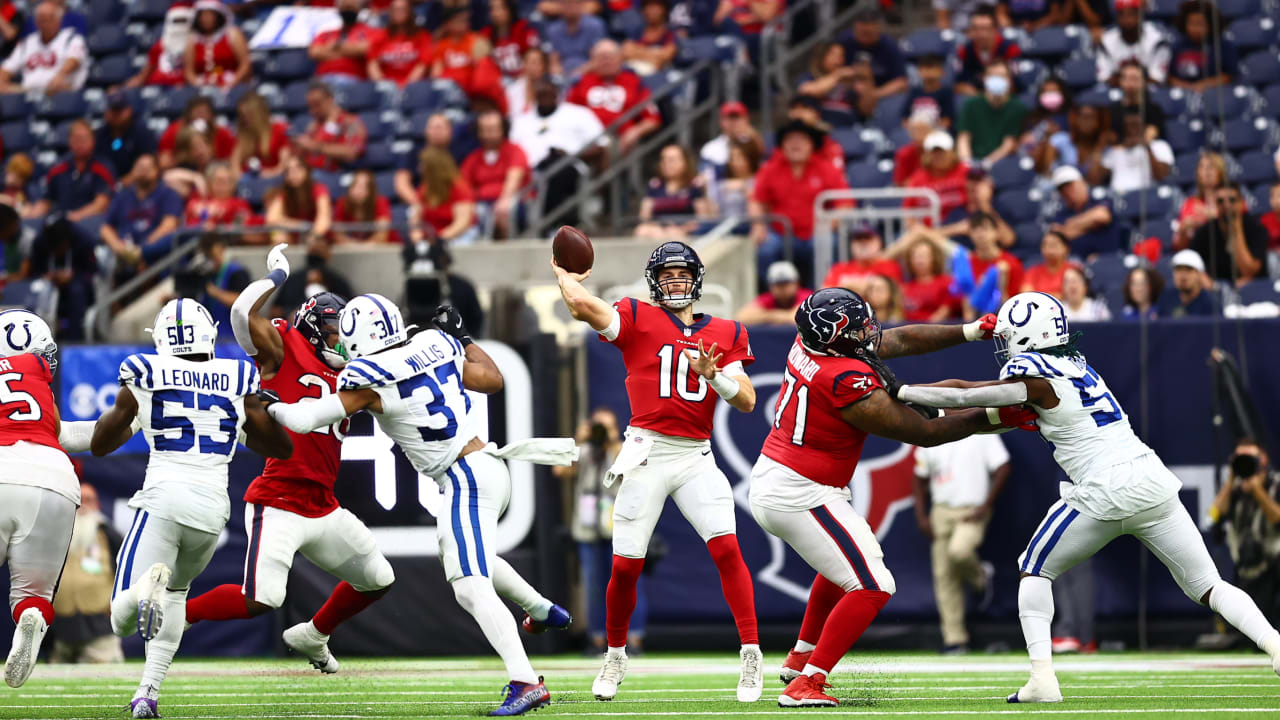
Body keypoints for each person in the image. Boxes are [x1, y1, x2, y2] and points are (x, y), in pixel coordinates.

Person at [893, 292, 1280, 703]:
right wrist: (938, 411)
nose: (1004, 344)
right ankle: (1275, 644)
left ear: (1027, 334)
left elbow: (967, 395)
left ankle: (1042, 678)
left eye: (1009, 335)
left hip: (1104, 488)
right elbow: (993, 416)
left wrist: (902, 393)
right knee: (1208, 585)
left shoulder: (1035, 376)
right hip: (1149, 478)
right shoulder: (1078, 367)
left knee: (1034, 571)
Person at [263, 296, 574, 716]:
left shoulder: (367, 376)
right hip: (489, 466)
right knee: (464, 554)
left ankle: (525, 681)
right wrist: (462, 337)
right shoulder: (434, 342)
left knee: (469, 584)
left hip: (463, 478)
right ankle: (540, 609)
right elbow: (492, 379)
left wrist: (269, 406)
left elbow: (304, 420)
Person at [752, 290, 1022, 706]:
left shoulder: (812, 342)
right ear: (837, 336)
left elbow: (899, 341)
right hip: (799, 490)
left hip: (791, 479)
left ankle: (802, 655)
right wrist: (993, 415)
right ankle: (808, 683)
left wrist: (969, 331)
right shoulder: (841, 379)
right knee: (874, 585)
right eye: (859, 326)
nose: (870, 330)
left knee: (843, 569)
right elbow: (924, 431)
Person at [553, 242, 764, 703]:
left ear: (697, 279)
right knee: (625, 566)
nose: (673, 281)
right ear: (653, 281)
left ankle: (751, 653)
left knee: (728, 549)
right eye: (665, 274)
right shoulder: (636, 315)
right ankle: (614, 653)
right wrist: (566, 275)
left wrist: (715, 376)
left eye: (681, 273)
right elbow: (582, 307)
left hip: (695, 456)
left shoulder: (726, 331)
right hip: (646, 451)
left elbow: (746, 400)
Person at [185, 250, 395, 673]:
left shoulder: (355, 372)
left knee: (377, 578)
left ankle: (314, 634)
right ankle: (181, 613)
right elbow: (243, 313)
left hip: (323, 504)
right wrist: (277, 275)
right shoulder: (285, 346)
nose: (343, 341)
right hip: (279, 498)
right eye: (336, 331)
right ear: (316, 328)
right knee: (260, 599)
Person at [89, 299, 291, 719]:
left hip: (165, 496)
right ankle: (147, 693)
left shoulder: (145, 371)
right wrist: (253, 417)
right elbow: (280, 448)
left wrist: (135, 414)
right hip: (212, 511)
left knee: (119, 619)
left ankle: (146, 588)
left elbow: (101, 444)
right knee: (177, 594)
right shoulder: (236, 375)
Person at [0, 312, 92, 688]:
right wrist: (127, 424)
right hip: (52, 474)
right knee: (32, 595)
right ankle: (31, 616)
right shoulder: (36, 370)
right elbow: (58, 432)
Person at [554, 408, 649, 655]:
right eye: (597, 426)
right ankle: (597, 639)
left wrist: (612, 441)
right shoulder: (584, 451)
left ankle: (634, 638)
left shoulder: (621, 450)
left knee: (627, 582)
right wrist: (580, 440)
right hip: (587, 529)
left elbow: (638, 469)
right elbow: (560, 469)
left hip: (619, 528)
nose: (600, 432)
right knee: (593, 586)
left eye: (605, 427)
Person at [913, 435, 1009, 653]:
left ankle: (980, 578)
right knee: (944, 576)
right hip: (941, 510)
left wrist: (986, 505)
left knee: (959, 551)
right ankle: (955, 640)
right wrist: (921, 516)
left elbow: (1003, 466)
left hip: (971, 510)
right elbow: (919, 476)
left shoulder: (981, 430)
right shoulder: (931, 429)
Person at [750, 121, 852, 289]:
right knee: (765, 249)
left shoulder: (826, 168)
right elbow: (756, 201)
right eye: (790, 139)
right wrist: (759, 225)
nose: (795, 144)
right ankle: (771, 295)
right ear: (782, 145)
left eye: (802, 139)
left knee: (827, 243)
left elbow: (845, 203)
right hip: (781, 233)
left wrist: (830, 224)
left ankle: (822, 296)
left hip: (816, 233)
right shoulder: (770, 169)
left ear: (812, 144)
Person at [50, 482, 124, 664]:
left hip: (100, 626)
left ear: (97, 504)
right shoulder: (53, 535)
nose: (83, 505)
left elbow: (126, 573)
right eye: (78, 500)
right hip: (60, 627)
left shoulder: (109, 535)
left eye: (89, 500)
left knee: (102, 678)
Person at [1211, 438, 1280, 627]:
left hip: (1274, 564)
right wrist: (1232, 477)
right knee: (1246, 630)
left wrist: (1257, 490)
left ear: (1263, 459)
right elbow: (1215, 515)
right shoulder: (1233, 491)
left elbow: (1277, 518)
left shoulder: (1276, 484)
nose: (1245, 461)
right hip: (1246, 566)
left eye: (1249, 457)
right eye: (1240, 458)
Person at [566, 40, 662, 154]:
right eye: (601, 58)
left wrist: (635, 132)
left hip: (619, 138)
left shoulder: (634, 81)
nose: (606, 62)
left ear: (620, 59)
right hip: (586, 139)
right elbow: (566, 113)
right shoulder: (583, 82)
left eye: (610, 57)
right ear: (593, 61)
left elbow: (653, 118)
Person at [100, 154, 182, 267]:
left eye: (147, 168)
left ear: (157, 171)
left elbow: (169, 225)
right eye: (139, 168)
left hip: (153, 254)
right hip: (122, 253)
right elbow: (106, 228)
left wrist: (143, 249)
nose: (143, 172)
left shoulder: (168, 194)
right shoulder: (123, 195)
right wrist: (118, 247)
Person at [460, 111, 529, 240]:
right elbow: (464, 186)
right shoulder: (473, 158)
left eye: (492, 129)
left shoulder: (515, 150)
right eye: (484, 130)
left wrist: (504, 199)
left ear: (503, 130)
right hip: (481, 203)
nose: (487, 134)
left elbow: (514, 178)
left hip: (510, 200)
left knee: (503, 211)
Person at [27, 120, 114, 222]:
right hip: (62, 222)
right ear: (69, 140)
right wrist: (31, 215)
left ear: (93, 140)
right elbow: (46, 201)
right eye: (76, 138)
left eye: (84, 138)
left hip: (92, 223)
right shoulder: (59, 168)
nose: (80, 143)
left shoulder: (103, 168)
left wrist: (75, 217)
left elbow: (102, 204)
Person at [27, 216, 96, 339]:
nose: (58, 252)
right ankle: (35, 338)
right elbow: (34, 271)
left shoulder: (84, 240)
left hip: (78, 282)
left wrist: (73, 275)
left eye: (60, 249)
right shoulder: (40, 242)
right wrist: (46, 276)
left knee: (76, 291)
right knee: (36, 289)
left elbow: (92, 272)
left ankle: (74, 340)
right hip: (48, 282)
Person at [1190, 181, 1269, 286]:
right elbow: (1191, 261)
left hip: (1253, 289)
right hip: (1217, 289)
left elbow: (1249, 270)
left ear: (1241, 202)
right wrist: (1207, 282)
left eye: (1232, 200)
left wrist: (1236, 228)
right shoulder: (1206, 231)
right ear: (1215, 204)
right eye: (1220, 201)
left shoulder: (1256, 228)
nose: (1226, 205)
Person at [0, 1, 86, 95]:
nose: (44, 24)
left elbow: (74, 59)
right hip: (28, 95)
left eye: (49, 19)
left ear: (59, 20)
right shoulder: (27, 42)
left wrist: (61, 75)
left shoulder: (71, 37)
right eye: (41, 20)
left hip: (61, 94)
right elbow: (7, 68)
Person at [430, 7, 505, 113]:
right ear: (448, 24)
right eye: (459, 20)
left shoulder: (476, 41)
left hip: (472, 93)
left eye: (465, 20)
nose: (464, 23)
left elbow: (484, 72)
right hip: (450, 93)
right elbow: (436, 73)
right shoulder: (441, 45)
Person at [958, 61, 1026, 166]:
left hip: (1003, 163)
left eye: (1001, 76)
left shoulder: (1018, 107)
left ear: (1009, 79)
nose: (997, 79)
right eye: (992, 76)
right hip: (973, 159)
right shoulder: (971, 104)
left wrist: (987, 163)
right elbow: (964, 137)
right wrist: (967, 163)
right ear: (984, 78)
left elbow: (1009, 143)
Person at [636, 145, 711, 239]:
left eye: (672, 160)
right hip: (659, 230)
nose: (667, 164)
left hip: (685, 232)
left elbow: (703, 218)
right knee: (642, 230)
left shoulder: (694, 185)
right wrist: (659, 228)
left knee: (674, 234)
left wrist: (683, 229)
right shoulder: (655, 185)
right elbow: (644, 216)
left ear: (685, 162)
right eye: (664, 160)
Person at [1048, 165, 1121, 259]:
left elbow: (1101, 216)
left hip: (1107, 258)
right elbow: (1058, 235)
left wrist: (1070, 225)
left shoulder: (1098, 195)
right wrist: (1089, 222)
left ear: (1081, 182)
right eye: (1062, 189)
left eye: (1070, 185)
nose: (1067, 191)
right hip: (1076, 262)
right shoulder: (1062, 210)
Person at [837, 7, 908, 102]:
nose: (865, 37)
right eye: (862, 33)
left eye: (869, 33)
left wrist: (874, 94)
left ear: (879, 28)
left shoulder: (890, 46)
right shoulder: (843, 41)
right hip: (846, 91)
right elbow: (828, 71)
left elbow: (901, 82)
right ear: (855, 28)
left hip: (881, 95)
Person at [187, 233, 250, 338]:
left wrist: (215, 292)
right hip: (209, 336)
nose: (210, 259)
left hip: (232, 338)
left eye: (211, 254)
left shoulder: (237, 272)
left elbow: (241, 302)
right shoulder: (205, 275)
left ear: (221, 249)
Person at [296, 82, 368, 172]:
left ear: (330, 100)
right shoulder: (314, 125)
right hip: (310, 175)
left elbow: (352, 151)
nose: (313, 111)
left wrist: (318, 147)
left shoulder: (350, 122)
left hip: (334, 176)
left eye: (317, 104)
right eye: (310, 106)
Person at [1097, 109, 1172, 194]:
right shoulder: (1114, 150)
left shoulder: (1159, 146)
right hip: (1117, 198)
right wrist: (1100, 146)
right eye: (1127, 126)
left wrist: (1147, 146)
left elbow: (1162, 176)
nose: (1131, 130)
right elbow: (1096, 179)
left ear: (1144, 126)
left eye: (1135, 125)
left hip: (1146, 198)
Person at [413, 147, 478, 245]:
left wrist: (440, 238)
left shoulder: (459, 188)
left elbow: (462, 222)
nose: (420, 169)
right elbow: (416, 218)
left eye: (424, 165)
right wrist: (416, 234)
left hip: (457, 236)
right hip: (431, 238)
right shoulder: (424, 189)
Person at [1096, 0, 1171, 84]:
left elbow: (1157, 79)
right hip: (1116, 92)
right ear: (1116, 17)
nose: (1126, 19)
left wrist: (1131, 84)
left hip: (1148, 94)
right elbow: (1104, 78)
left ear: (1140, 15)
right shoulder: (1107, 40)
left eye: (1131, 14)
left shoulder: (1157, 40)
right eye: (1122, 14)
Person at [954, 5, 1021, 96]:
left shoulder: (1010, 50)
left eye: (985, 29)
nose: (980, 34)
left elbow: (1016, 85)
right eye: (975, 29)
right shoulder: (964, 51)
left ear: (995, 29)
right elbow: (958, 84)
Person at [1169, 0, 1236, 91]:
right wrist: (1185, 86)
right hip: (1182, 93)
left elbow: (1230, 75)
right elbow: (1169, 76)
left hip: (1213, 93)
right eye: (1191, 23)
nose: (1195, 28)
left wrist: (1206, 84)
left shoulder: (1222, 46)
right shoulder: (1177, 46)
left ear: (1210, 25)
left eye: (1200, 24)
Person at [265, 156, 333, 245]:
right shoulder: (283, 193)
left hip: (316, 236)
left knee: (318, 243)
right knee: (278, 236)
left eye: (298, 168)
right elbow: (271, 219)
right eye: (289, 171)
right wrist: (301, 225)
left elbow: (324, 219)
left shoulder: (319, 189)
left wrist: (314, 235)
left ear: (307, 171)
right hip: (294, 235)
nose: (293, 174)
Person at [309, 0, 382, 82]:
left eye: (350, 7)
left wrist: (335, 47)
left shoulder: (370, 31)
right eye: (345, 7)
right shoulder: (326, 33)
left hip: (353, 80)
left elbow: (366, 49)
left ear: (359, 9)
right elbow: (314, 52)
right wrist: (350, 51)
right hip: (322, 80)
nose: (347, 10)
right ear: (338, 9)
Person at [394, 112, 456, 207]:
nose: (436, 131)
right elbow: (401, 183)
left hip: (452, 203)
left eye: (440, 127)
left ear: (450, 131)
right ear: (426, 131)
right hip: (422, 203)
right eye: (433, 128)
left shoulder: (458, 152)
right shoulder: (415, 152)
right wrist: (420, 205)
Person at [157, 97, 235, 172]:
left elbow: (231, 161)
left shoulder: (222, 133)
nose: (200, 151)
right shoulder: (174, 131)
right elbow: (164, 163)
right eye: (197, 112)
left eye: (205, 112)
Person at [905, 131, 968, 221]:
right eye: (934, 153)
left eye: (942, 152)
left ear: (952, 152)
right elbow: (909, 211)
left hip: (960, 228)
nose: (938, 156)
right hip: (927, 231)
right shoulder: (918, 178)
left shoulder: (965, 172)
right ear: (927, 155)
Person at [184, 0, 250, 88]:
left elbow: (245, 64)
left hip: (232, 84)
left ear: (218, 15)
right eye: (203, 15)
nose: (206, 18)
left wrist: (232, 83)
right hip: (203, 86)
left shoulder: (232, 34)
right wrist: (198, 83)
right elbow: (189, 71)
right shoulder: (193, 40)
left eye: (210, 14)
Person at [368, 0, 433, 86]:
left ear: (410, 12)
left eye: (402, 9)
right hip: (387, 86)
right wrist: (381, 82)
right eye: (395, 9)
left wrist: (406, 84)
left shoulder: (422, 36)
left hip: (414, 86)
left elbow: (423, 64)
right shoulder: (381, 35)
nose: (398, 12)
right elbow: (372, 63)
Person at [230, 91, 292, 180]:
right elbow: (234, 165)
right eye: (243, 116)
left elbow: (283, 167)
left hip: (274, 181)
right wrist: (242, 179)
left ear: (260, 114)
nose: (245, 120)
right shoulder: (242, 135)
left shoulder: (279, 130)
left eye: (249, 116)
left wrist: (265, 175)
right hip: (247, 182)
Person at [125, 3, 189, 88]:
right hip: (158, 85)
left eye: (183, 21)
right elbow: (144, 75)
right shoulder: (160, 45)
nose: (179, 25)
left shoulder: (197, 45)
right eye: (176, 21)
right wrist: (122, 88)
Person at [98, 93, 158, 182]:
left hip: (135, 183)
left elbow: (149, 160)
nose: (116, 115)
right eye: (113, 110)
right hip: (106, 183)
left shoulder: (141, 132)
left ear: (129, 110)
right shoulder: (101, 134)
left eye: (119, 110)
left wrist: (126, 181)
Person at [823, 228, 904, 292]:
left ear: (879, 242)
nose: (863, 242)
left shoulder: (889, 266)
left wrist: (847, 285)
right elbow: (823, 295)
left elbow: (891, 294)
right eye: (858, 239)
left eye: (868, 238)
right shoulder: (839, 268)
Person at [736, 261, 812, 325]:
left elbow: (796, 318)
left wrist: (764, 315)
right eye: (778, 285)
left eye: (786, 283)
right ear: (770, 286)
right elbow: (741, 317)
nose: (782, 289)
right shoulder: (768, 298)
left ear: (796, 283)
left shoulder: (806, 296)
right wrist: (775, 316)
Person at [1175, 152, 1227, 249]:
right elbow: (1179, 245)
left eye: (1211, 167)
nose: (1207, 171)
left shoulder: (1231, 198)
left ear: (1221, 171)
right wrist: (1183, 230)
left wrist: (1209, 217)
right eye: (1202, 167)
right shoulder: (1190, 203)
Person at [699, 101, 761, 178]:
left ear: (746, 119)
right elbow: (705, 178)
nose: (732, 123)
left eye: (736, 117)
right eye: (728, 118)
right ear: (721, 121)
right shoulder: (711, 148)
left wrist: (755, 138)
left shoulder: (754, 142)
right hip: (722, 188)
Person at [184, 163, 254, 231]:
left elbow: (243, 225)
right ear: (209, 182)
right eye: (220, 180)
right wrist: (206, 215)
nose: (225, 185)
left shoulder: (241, 203)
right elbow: (191, 225)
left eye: (229, 181)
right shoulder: (197, 201)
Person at [545, 0, 606, 77]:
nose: (571, 6)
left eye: (575, 2)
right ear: (560, 5)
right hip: (563, 73)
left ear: (582, 4)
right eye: (566, 3)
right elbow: (554, 58)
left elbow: (597, 59)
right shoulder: (553, 29)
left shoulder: (595, 25)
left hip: (589, 72)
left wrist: (579, 72)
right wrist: (556, 69)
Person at [482, 0, 539, 82]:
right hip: (498, 83)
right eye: (492, 9)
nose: (495, 13)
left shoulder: (523, 28)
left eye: (499, 8)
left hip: (524, 80)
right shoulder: (486, 34)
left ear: (510, 9)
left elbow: (534, 58)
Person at [333, 170, 394, 244]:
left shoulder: (381, 202)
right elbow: (338, 236)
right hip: (352, 251)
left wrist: (360, 247)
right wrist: (355, 246)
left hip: (383, 251)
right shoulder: (342, 203)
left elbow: (381, 236)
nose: (357, 191)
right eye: (354, 186)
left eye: (363, 187)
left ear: (372, 190)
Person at [1109, 61, 1166, 142]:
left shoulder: (1153, 110)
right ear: (1120, 81)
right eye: (1126, 78)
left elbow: (1152, 133)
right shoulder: (1112, 110)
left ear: (1144, 82)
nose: (1130, 84)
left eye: (1135, 79)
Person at [709, 139, 761, 224]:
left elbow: (759, 210)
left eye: (740, 157)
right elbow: (713, 213)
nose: (736, 162)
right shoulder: (723, 183)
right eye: (732, 158)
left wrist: (744, 188)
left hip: (747, 226)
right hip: (724, 227)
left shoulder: (759, 180)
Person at [623, 0, 677, 76]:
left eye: (656, 7)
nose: (652, 10)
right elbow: (626, 52)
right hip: (632, 70)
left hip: (657, 75)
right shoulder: (637, 31)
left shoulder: (670, 33)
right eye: (648, 6)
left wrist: (637, 50)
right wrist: (654, 53)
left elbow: (666, 55)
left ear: (664, 10)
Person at [1157, 249, 1217, 317]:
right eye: (1178, 269)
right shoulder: (1165, 298)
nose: (1182, 275)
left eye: (1188, 269)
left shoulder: (1211, 305)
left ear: (1199, 274)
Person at [903, 56, 954, 131]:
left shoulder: (945, 92)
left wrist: (931, 131)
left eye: (931, 68)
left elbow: (947, 120)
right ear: (919, 71)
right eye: (924, 68)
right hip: (915, 132)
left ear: (942, 72)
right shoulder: (914, 92)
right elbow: (905, 118)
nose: (928, 72)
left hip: (936, 133)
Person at [1066, 104, 1113, 182]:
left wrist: (1099, 146)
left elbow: (1094, 179)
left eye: (1091, 117)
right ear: (1076, 119)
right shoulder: (1063, 142)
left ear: (1099, 121)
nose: (1087, 122)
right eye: (1083, 117)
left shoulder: (1107, 149)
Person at [1022, 231, 1075, 296]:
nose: (1048, 249)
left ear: (1066, 248)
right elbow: (1026, 295)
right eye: (1045, 245)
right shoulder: (1033, 272)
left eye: (1053, 245)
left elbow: (1073, 295)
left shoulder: (1074, 271)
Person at [505, 46, 547, 119]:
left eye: (538, 63)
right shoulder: (512, 90)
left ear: (544, 67)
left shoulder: (550, 91)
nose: (534, 67)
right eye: (532, 62)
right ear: (524, 65)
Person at [997, 0, 1068, 30]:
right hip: (1016, 29)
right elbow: (1001, 13)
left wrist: (1036, 26)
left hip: (1044, 29)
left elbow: (1056, 14)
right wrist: (1011, 26)